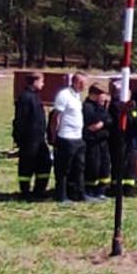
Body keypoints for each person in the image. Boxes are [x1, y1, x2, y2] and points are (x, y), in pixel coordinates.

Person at [12, 72, 51, 200]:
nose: (43, 84)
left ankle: (39, 190)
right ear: (34, 82)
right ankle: (25, 191)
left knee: (44, 163)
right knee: (27, 166)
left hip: (39, 139)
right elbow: (20, 120)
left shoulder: (35, 96)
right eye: (41, 81)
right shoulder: (25, 98)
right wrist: (20, 139)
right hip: (29, 139)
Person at [50, 73, 88, 203]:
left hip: (78, 137)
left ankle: (79, 193)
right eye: (81, 82)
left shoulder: (77, 96)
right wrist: (54, 135)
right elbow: (56, 116)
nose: (84, 85)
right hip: (66, 137)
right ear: (74, 82)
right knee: (63, 168)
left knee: (79, 167)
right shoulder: (64, 95)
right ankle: (61, 195)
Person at [83, 84, 111, 200]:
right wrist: (101, 122)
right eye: (102, 95)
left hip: (102, 141)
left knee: (104, 166)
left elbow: (108, 120)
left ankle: (101, 190)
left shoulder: (101, 107)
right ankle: (90, 191)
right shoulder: (87, 107)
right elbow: (93, 123)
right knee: (93, 166)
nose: (104, 98)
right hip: (92, 142)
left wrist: (102, 123)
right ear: (94, 95)